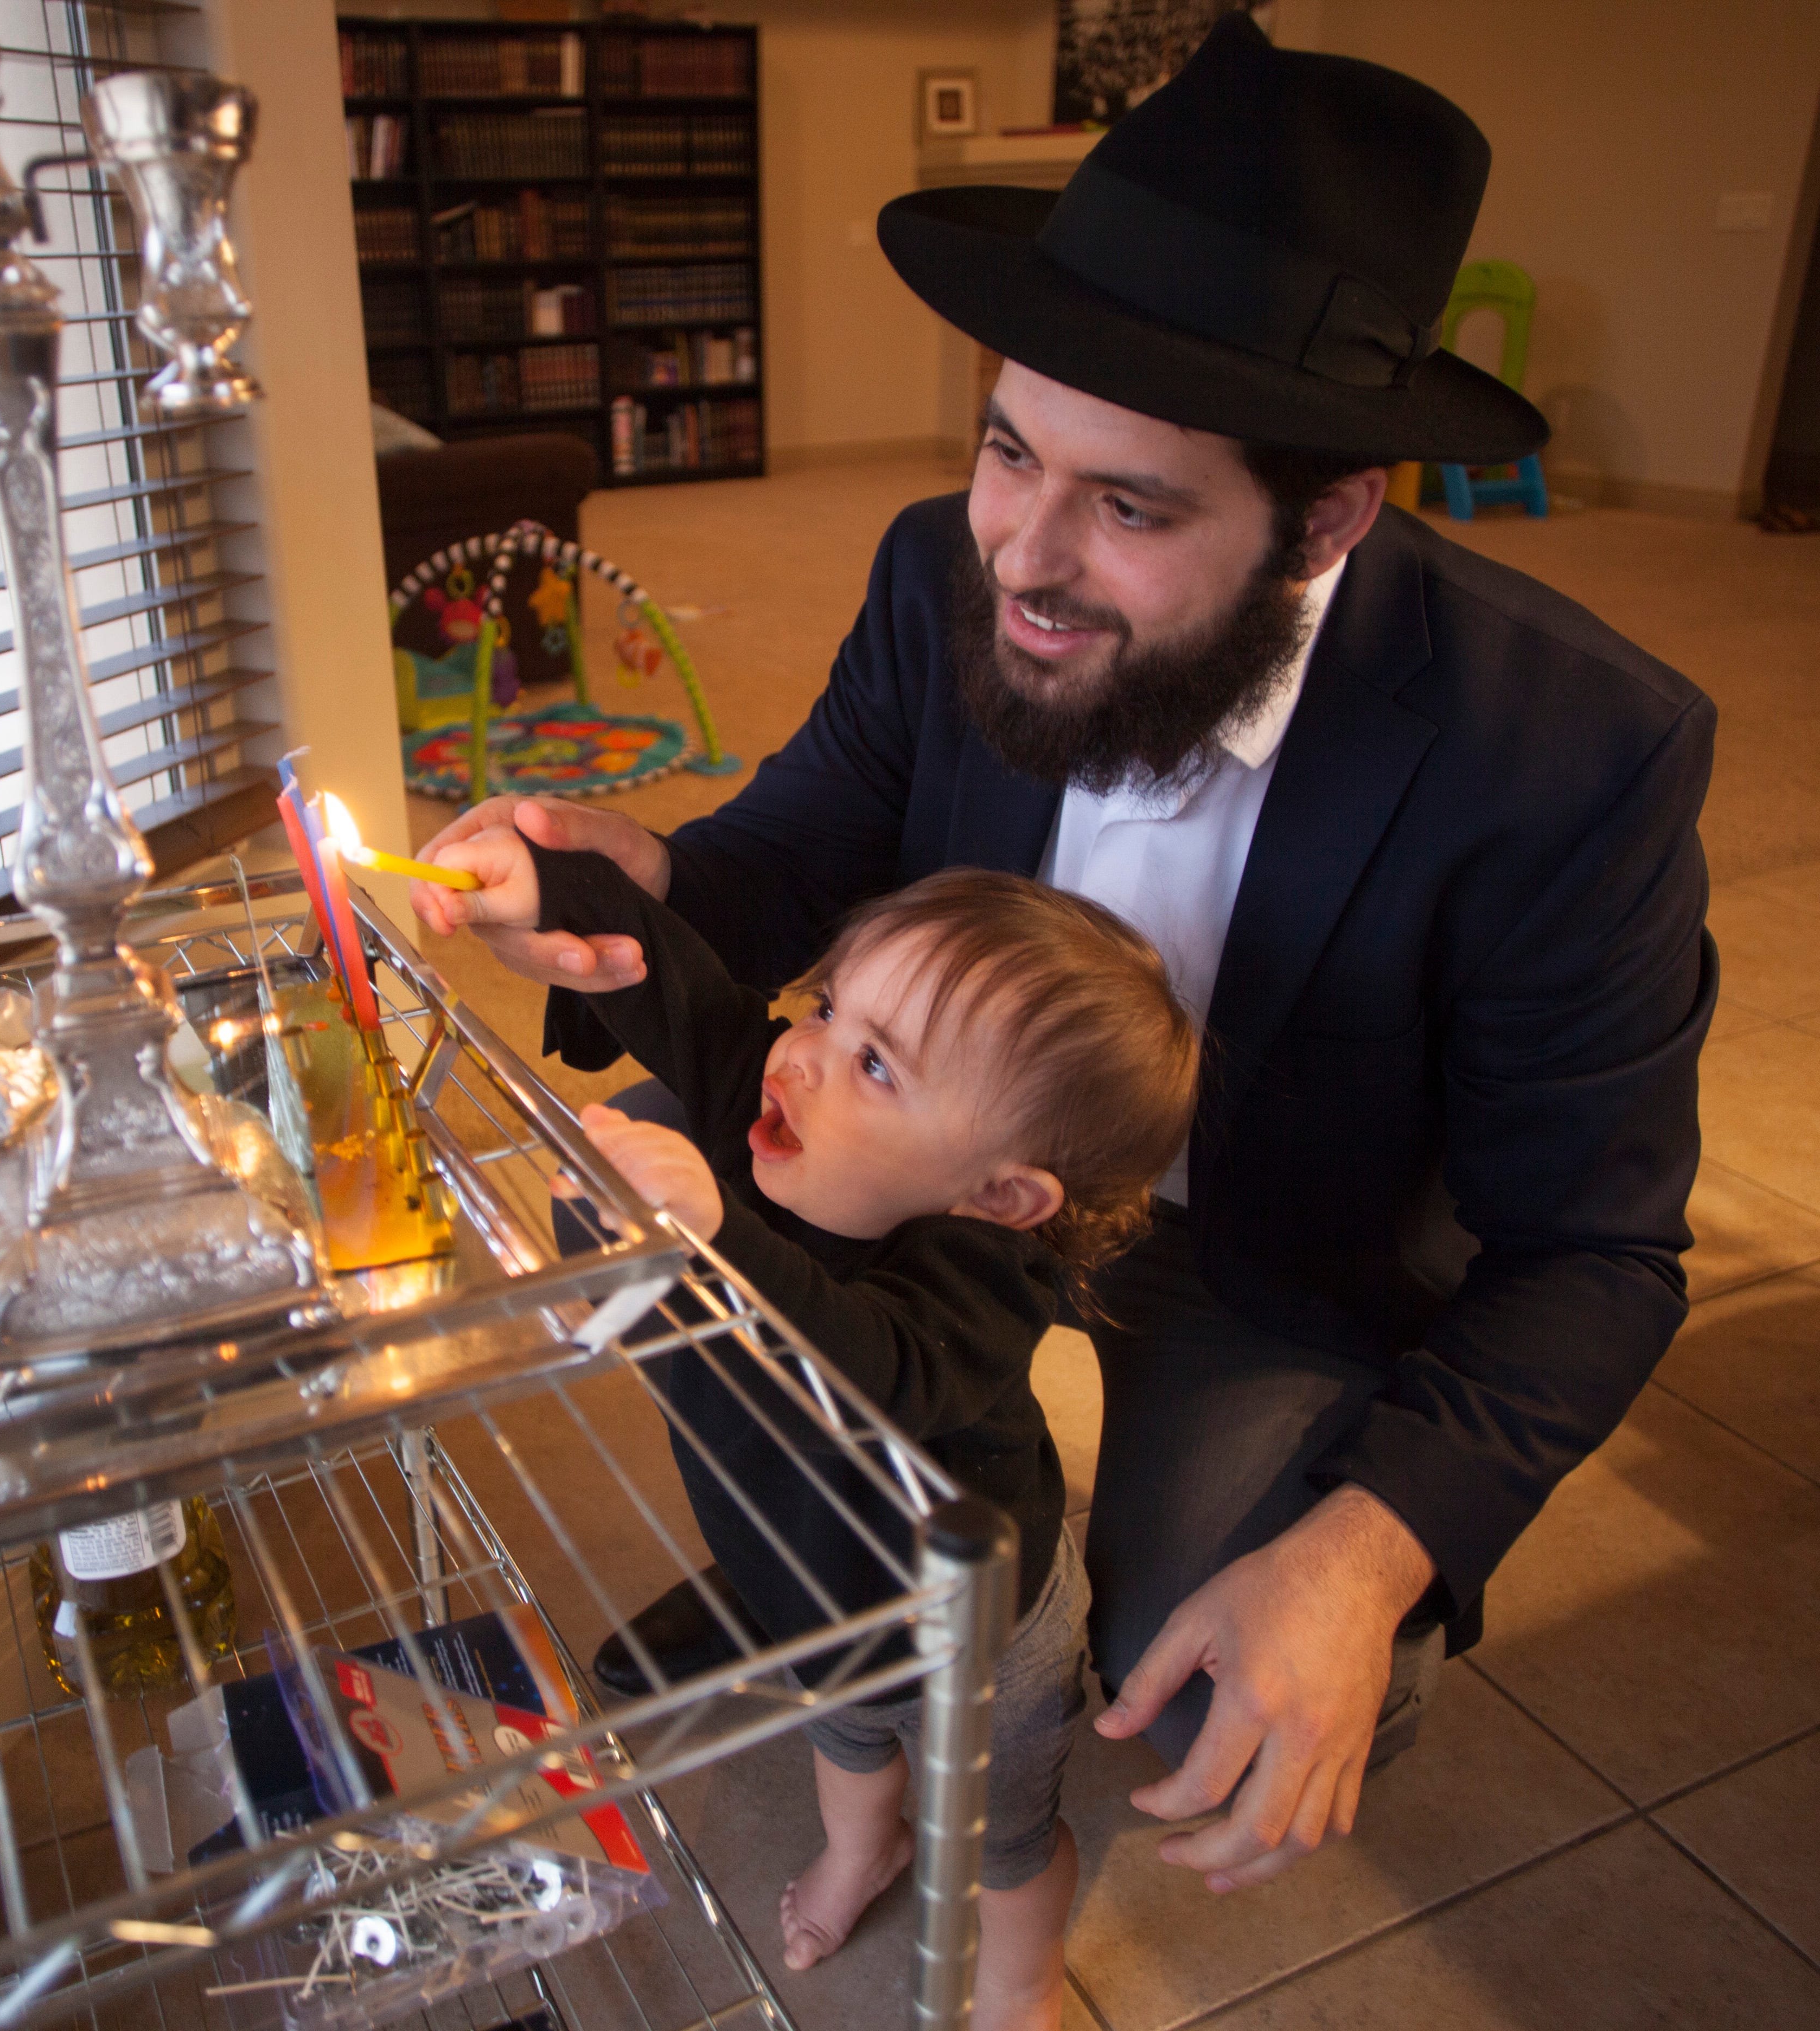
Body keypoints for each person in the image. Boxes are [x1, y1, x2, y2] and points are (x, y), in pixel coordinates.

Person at [416, 16, 1716, 1898]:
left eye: (1130, 505)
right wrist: (636, 871)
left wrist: (1360, 1555)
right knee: (718, 1285)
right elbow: (802, 849)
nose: (1020, 553)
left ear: (1332, 513)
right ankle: (836, 1569)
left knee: (1203, 1677)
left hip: (1265, 1254)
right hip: (941, 1173)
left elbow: (1595, 1249)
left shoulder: (1572, 751)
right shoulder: (937, 571)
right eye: (1009, 447)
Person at [429, 816, 1197, 2028]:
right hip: (803, 1587)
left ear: (999, 1193)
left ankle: (1023, 1974)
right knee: (843, 1739)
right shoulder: (785, 1097)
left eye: (877, 1063)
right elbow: (697, 1002)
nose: (802, 1057)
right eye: (828, 1007)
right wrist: (556, 889)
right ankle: (863, 1850)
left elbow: (868, 1374)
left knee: (1003, 1838)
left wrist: (718, 1235)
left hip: (976, 1633)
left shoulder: (980, 1282)